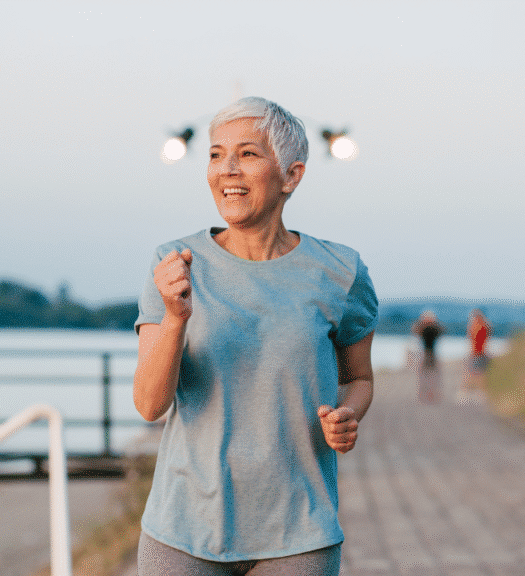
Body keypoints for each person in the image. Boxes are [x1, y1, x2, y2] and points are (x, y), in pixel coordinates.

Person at [133, 97, 378, 575]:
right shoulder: (174, 264)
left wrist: (349, 414)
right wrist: (175, 317)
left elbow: (360, 380)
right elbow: (148, 404)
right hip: (183, 532)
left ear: (291, 175)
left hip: (299, 533)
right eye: (215, 154)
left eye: (247, 154)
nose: (227, 169)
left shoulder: (341, 272)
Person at [463, 308, 490, 402]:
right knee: (481, 374)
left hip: (476, 353)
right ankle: (479, 392)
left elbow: (470, 336)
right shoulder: (484, 325)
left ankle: (467, 392)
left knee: (472, 373)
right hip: (482, 352)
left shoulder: (475, 326)